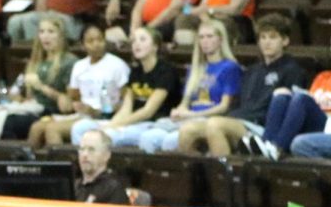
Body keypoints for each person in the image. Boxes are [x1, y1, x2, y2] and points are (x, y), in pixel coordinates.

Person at [179, 14, 306, 156]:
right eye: (262, 38)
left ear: (285, 41)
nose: (266, 42)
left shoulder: (292, 70)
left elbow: (288, 110)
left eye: (272, 37)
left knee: (215, 124)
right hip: (239, 119)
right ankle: (199, 174)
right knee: (187, 130)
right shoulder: (252, 70)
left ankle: (225, 175)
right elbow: (237, 102)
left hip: (261, 126)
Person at [0, 15, 78, 141]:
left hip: (49, 111)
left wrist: (41, 87)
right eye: (42, 32)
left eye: (51, 31)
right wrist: (17, 96)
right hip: (31, 106)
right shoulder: (36, 62)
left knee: (8, 122)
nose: (45, 36)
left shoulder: (69, 62)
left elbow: (67, 105)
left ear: (61, 36)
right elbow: (23, 94)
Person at [137, 19, 241, 153]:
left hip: (210, 119)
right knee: (148, 137)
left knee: (170, 140)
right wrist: (179, 111)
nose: (205, 41)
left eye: (210, 36)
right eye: (201, 37)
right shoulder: (195, 68)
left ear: (220, 39)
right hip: (189, 117)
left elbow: (224, 106)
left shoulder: (229, 67)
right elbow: (185, 102)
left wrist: (192, 114)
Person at [70, 26, 181, 147]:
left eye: (142, 39)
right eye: (134, 41)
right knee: (80, 127)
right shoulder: (135, 72)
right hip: (133, 122)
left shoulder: (166, 71)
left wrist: (114, 126)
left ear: (155, 46)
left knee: (107, 136)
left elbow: (148, 111)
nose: (136, 44)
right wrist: (112, 124)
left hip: (155, 123)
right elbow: (126, 108)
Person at [28, 24, 130, 148]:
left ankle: (64, 166)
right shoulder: (79, 66)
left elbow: (124, 102)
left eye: (100, 40)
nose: (96, 44)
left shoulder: (117, 66)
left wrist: (95, 111)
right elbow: (73, 97)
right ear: (83, 45)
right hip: (82, 114)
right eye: (90, 41)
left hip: (103, 117)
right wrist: (75, 104)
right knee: (36, 127)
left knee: (52, 129)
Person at [246, 55, 331, 160]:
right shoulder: (323, 77)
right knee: (281, 97)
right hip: (317, 123)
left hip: (328, 127)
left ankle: (278, 147)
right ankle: (265, 144)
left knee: (301, 99)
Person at [75, 129, 130, 205]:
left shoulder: (113, 189)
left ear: (106, 155)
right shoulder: (73, 186)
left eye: (91, 149)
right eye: (82, 149)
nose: (85, 154)